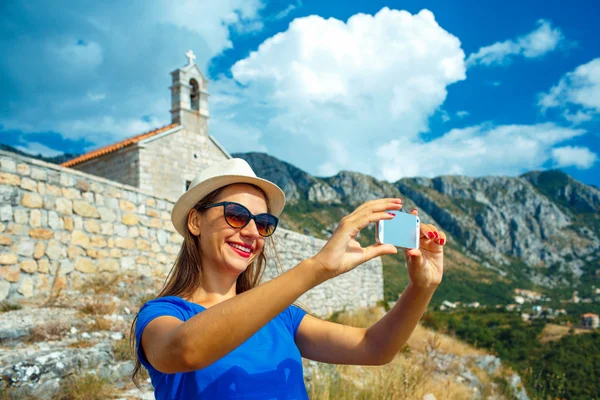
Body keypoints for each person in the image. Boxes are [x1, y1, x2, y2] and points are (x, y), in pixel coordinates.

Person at [132, 158, 445, 399]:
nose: (253, 231)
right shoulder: (162, 315)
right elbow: (186, 350)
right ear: (196, 221)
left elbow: (374, 348)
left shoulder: (282, 318)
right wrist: (317, 267)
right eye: (236, 215)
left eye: (264, 222)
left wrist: (422, 287)